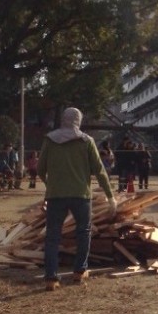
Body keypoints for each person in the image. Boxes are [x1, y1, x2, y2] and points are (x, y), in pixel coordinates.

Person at [37, 107, 117, 291]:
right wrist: (110, 196)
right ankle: (79, 272)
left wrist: (50, 185)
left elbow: (40, 169)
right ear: (78, 120)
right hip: (81, 196)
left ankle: (51, 278)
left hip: (56, 196)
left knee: (52, 236)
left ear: (63, 119)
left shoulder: (50, 140)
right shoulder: (86, 141)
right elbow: (100, 171)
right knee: (83, 233)